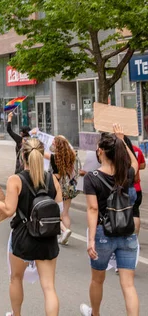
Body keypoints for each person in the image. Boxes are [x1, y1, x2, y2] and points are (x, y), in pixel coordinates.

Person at [0, 138, 62, 316]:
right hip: (47, 238)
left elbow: (8, 210)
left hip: (23, 237)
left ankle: (16, 314)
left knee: (16, 278)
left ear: (22, 157)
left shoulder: (16, 180)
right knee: (49, 287)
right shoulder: (52, 180)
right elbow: (60, 210)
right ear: (42, 157)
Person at [79, 126, 139, 316]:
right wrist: (121, 140)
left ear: (101, 152)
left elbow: (93, 209)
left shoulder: (92, 177)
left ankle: (95, 313)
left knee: (97, 280)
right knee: (128, 285)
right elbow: (136, 165)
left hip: (103, 234)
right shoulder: (126, 173)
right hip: (127, 233)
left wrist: (90, 241)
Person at [44, 135, 78, 245]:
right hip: (69, 187)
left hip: (58, 187)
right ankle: (65, 236)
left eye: (53, 143)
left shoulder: (54, 157)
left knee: (54, 211)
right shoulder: (71, 155)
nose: (52, 145)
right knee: (65, 213)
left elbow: (39, 152)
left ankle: (63, 231)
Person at [131, 142, 145, 235]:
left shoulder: (117, 149)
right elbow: (143, 165)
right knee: (135, 212)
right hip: (137, 188)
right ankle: (135, 237)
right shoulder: (137, 150)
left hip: (123, 187)